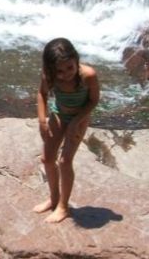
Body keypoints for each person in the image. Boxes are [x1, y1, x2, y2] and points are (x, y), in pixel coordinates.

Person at [33, 37, 100, 224]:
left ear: (76, 60)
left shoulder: (89, 75)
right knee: (47, 159)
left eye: (70, 68)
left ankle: (64, 206)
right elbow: (42, 94)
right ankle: (54, 198)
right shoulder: (49, 75)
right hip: (59, 114)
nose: (65, 74)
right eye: (59, 71)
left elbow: (93, 101)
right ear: (51, 69)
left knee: (65, 161)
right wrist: (41, 120)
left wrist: (75, 122)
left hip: (79, 118)